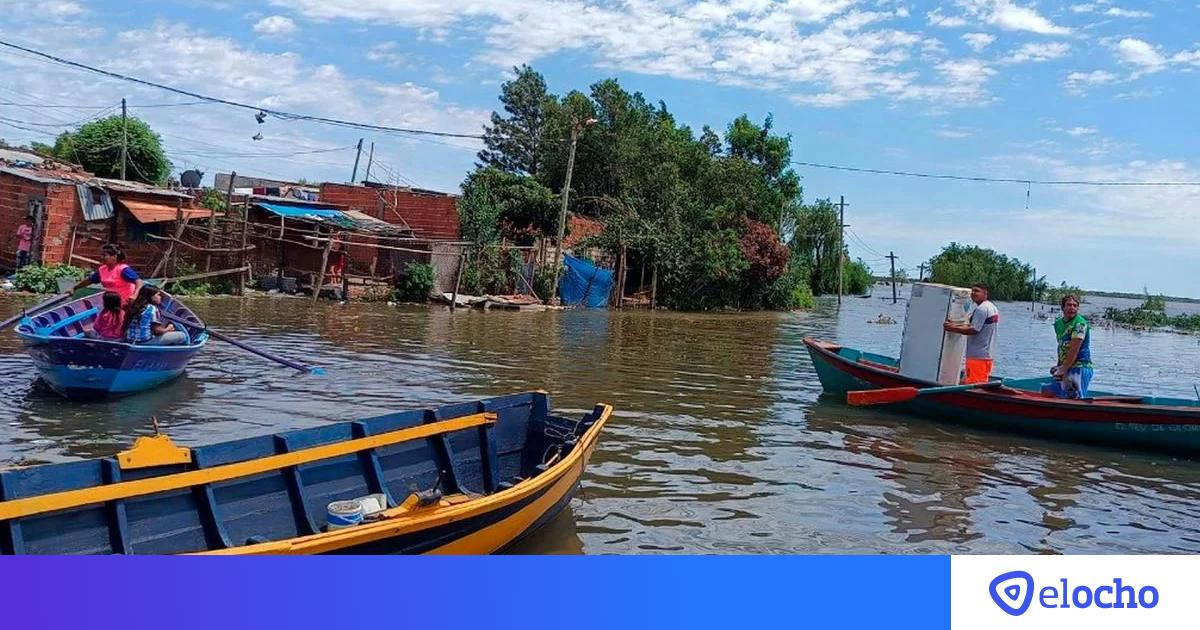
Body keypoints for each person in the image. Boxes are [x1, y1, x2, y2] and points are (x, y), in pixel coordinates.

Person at [943, 282, 1000, 384]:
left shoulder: (981, 309)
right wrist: (955, 325)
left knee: (975, 385)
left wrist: (952, 329)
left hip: (977, 356)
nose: (973, 293)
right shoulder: (991, 307)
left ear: (985, 293)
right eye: (972, 291)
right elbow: (973, 326)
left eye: (977, 291)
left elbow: (973, 330)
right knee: (980, 382)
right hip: (987, 355)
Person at [1042, 294, 1092, 399]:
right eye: (1069, 305)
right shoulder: (1058, 324)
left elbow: (1074, 349)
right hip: (1066, 366)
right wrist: (1059, 366)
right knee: (1047, 392)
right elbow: (1062, 347)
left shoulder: (1080, 325)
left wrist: (1063, 368)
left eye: (1075, 305)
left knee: (1074, 398)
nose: (1072, 308)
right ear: (1063, 307)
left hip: (1080, 367)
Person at [69, 243, 143, 305]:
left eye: (104, 255)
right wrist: (74, 288)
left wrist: (135, 295)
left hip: (126, 304)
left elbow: (139, 281)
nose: (102, 257)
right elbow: (89, 280)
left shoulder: (122, 269)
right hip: (111, 304)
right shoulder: (102, 269)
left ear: (114, 257)